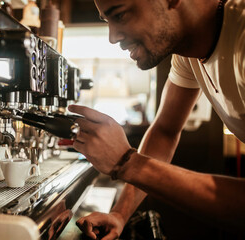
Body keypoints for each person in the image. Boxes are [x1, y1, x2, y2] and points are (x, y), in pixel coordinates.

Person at [69, 0, 245, 239]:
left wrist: (127, 163)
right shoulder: (188, 55)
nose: (112, 37)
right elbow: (165, 130)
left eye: (119, 15)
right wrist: (120, 214)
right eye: (106, 21)